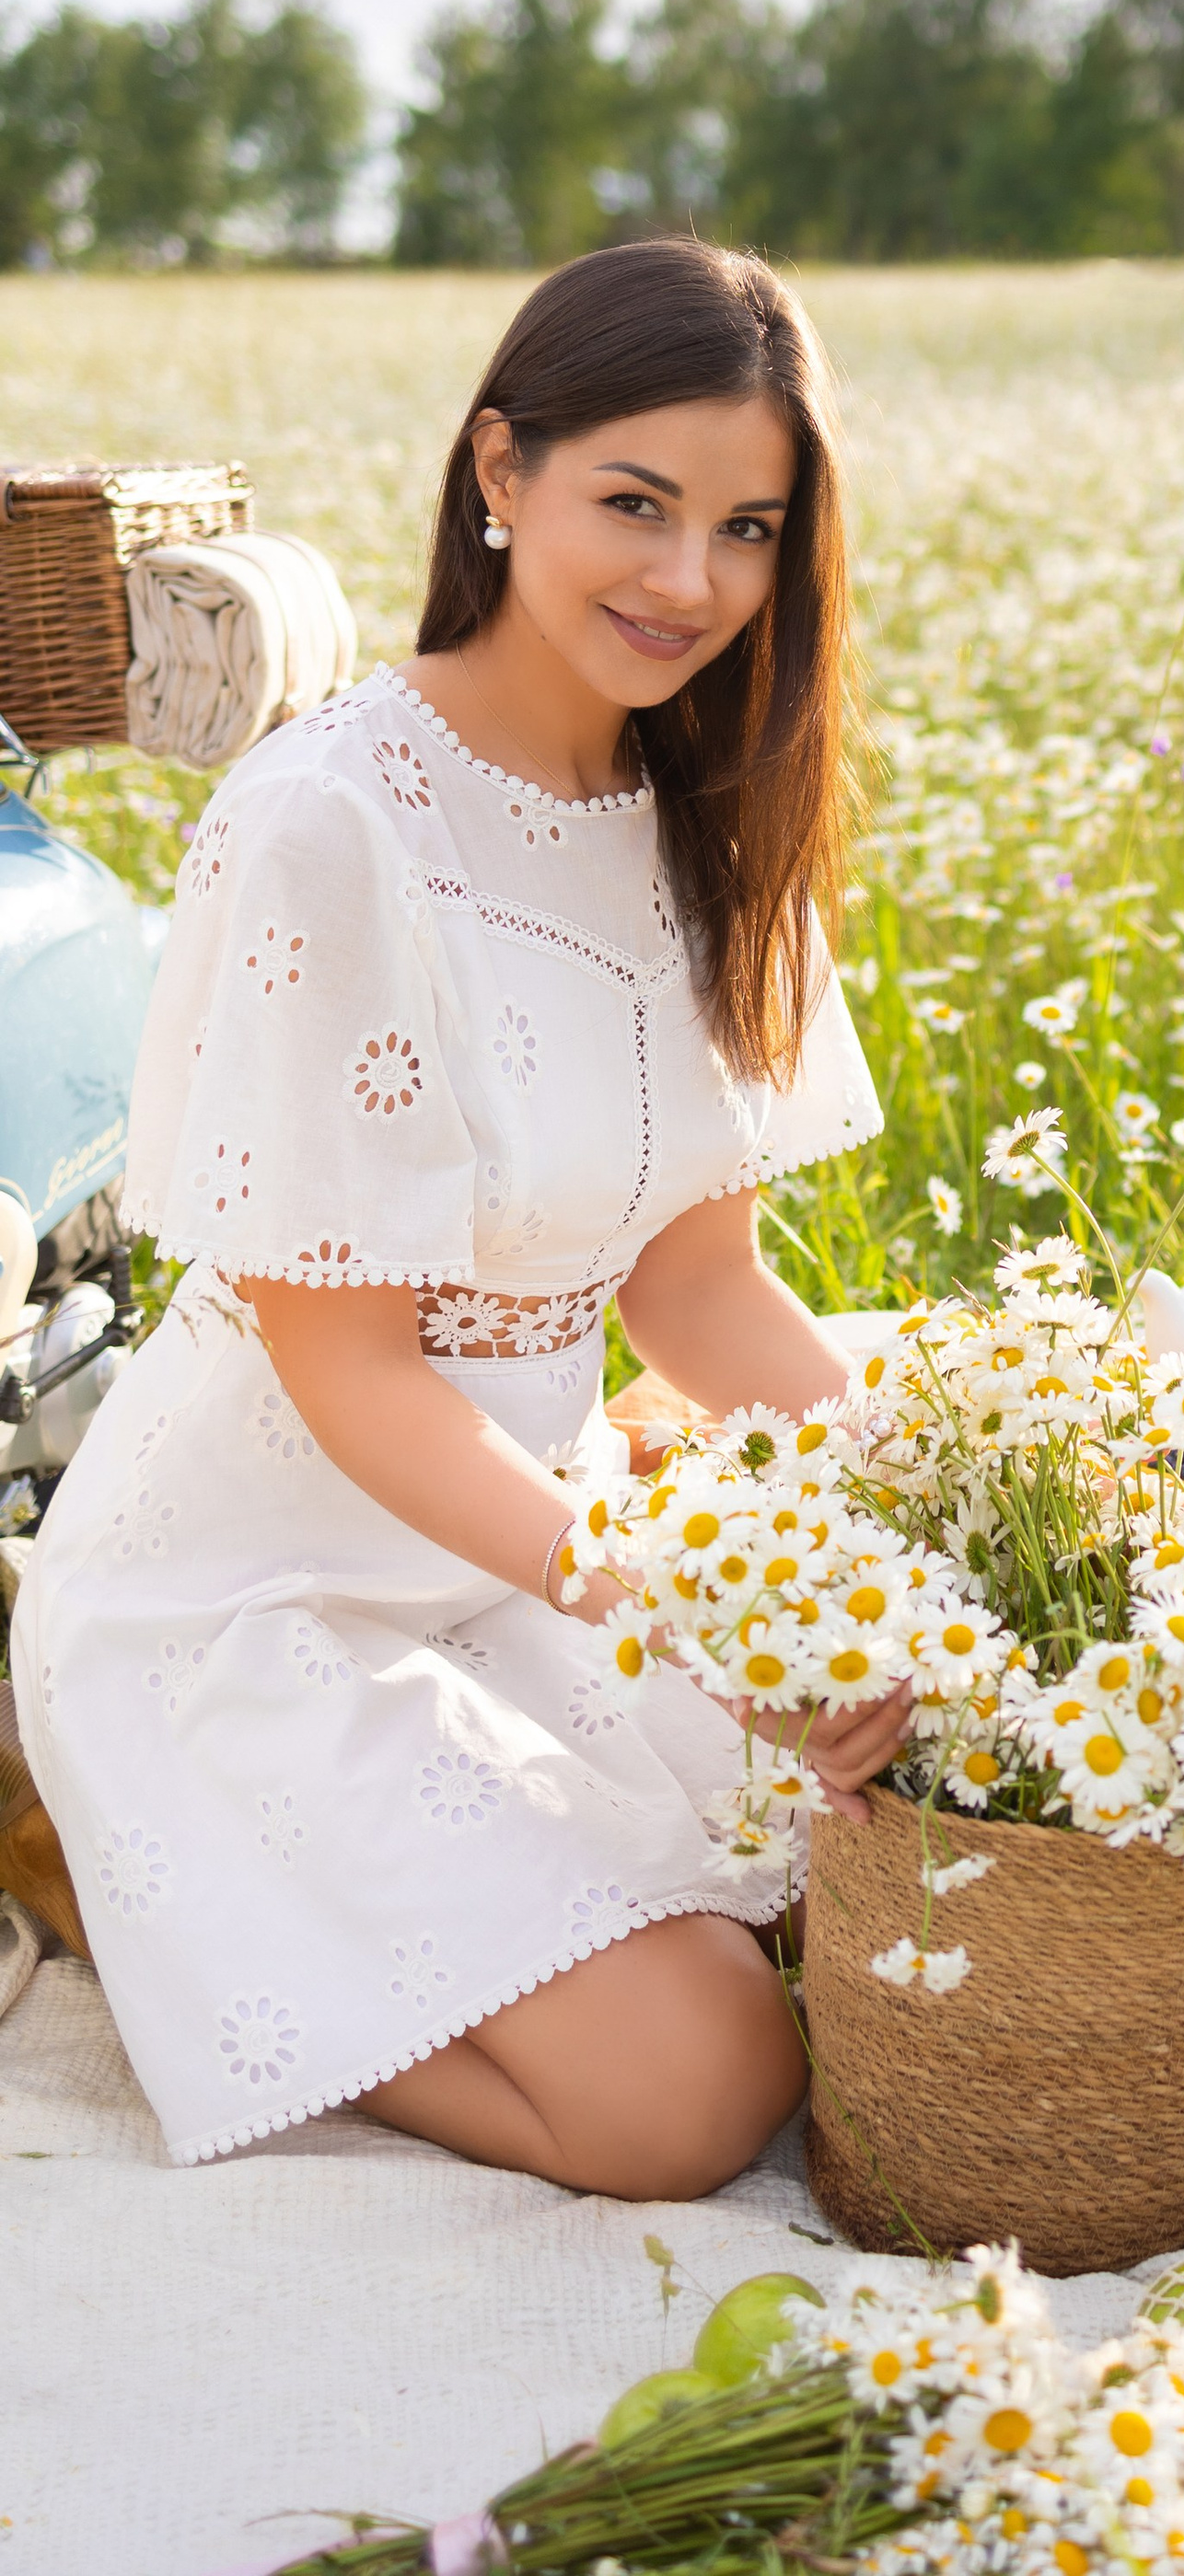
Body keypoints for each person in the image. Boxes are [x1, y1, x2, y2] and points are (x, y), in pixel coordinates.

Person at [11, 243, 909, 2195]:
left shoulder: (699, 816)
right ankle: (159, 1904)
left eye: (747, 528)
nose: (690, 583)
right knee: (693, 2095)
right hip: (253, 1601)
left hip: (515, 1559)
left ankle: (462, 1895)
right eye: (635, 505)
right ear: (498, 471)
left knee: (892, 1889)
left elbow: (697, 1289)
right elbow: (352, 1378)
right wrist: (691, 1609)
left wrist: (921, 1534)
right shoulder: (336, 820)